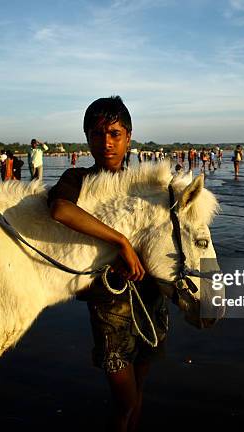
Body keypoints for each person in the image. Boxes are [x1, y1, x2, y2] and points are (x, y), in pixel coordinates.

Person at [47, 96, 167, 432]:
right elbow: (60, 210)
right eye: (97, 135)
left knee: (139, 390)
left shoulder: (145, 184)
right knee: (124, 401)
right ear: (88, 139)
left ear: (129, 137)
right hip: (108, 306)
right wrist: (121, 241)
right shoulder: (79, 179)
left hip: (149, 301)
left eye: (114, 134)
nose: (106, 143)